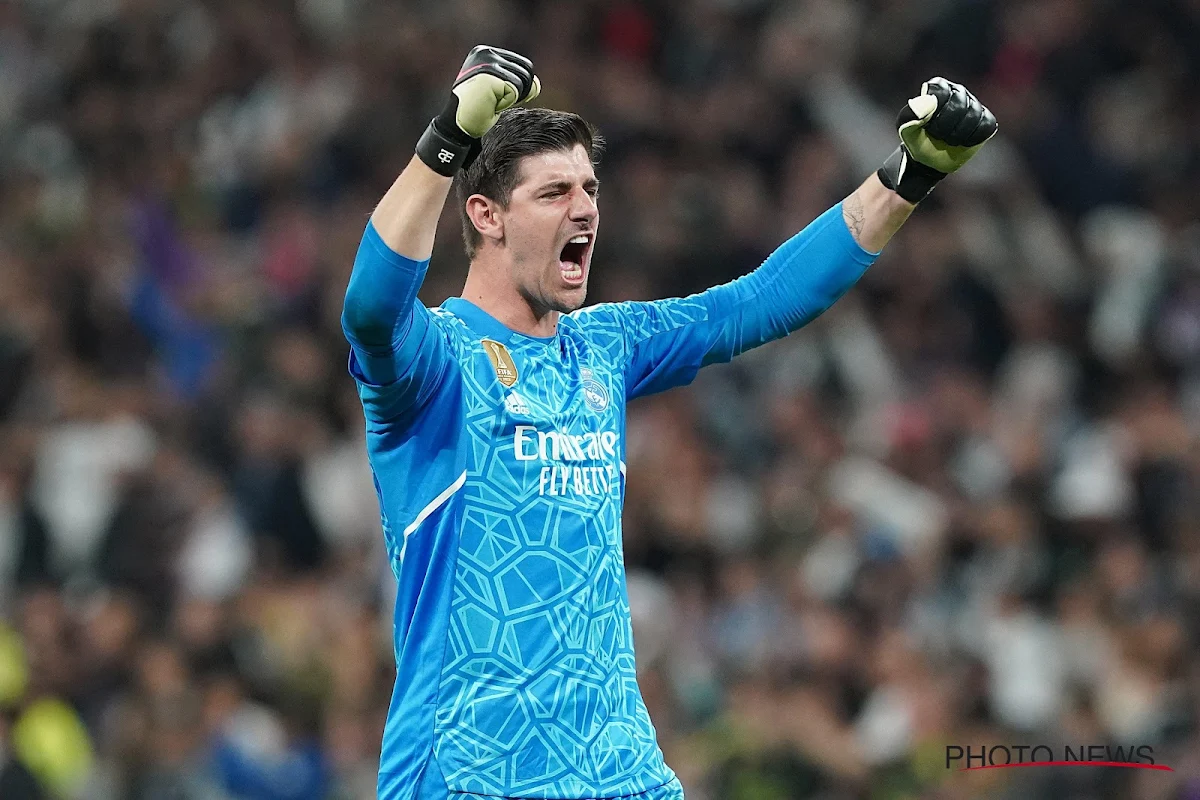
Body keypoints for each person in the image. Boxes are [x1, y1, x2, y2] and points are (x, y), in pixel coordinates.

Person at [340, 45, 996, 800]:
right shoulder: (437, 364)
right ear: (485, 215)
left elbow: (760, 301)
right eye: (554, 192)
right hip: (469, 773)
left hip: (618, 772)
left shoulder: (605, 346)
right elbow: (369, 308)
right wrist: (446, 139)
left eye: (589, 187)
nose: (585, 207)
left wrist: (910, 179)